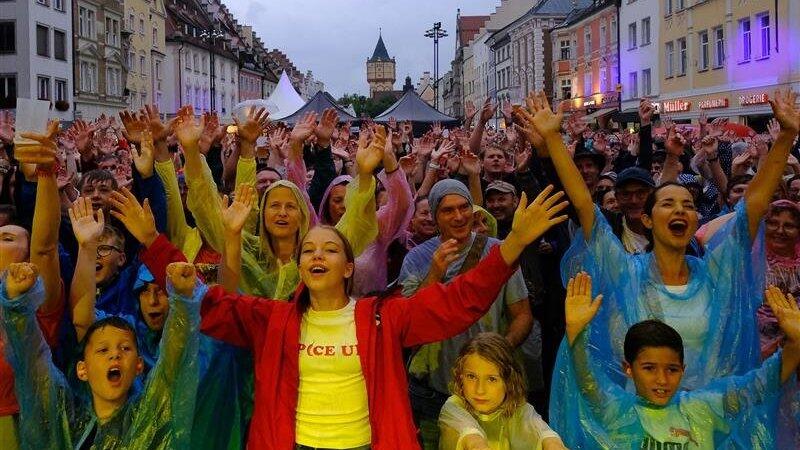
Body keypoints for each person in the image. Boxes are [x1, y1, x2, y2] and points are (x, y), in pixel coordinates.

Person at [142, 184, 568, 449]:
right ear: (301, 267)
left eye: (330, 248)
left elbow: (459, 302)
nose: (317, 255)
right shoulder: (272, 319)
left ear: (348, 267)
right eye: (309, 249)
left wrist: (510, 245)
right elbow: (212, 306)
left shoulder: (381, 317)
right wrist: (153, 243)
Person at [514, 89, 800, 447]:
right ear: (647, 219)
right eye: (668, 204)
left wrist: (786, 136)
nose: (680, 210)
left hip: (704, 422)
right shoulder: (626, 272)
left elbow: (753, 208)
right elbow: (586, 208)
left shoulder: (714, 275)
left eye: (688, 205)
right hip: (637, 427)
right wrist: (554, 139)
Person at [563, 272, 799, 449]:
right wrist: (576, 334)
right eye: (649, 368)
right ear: (628, 369)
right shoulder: (615, 409)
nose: (662, 379)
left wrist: (796, 344)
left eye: (672, 369)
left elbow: (761, 384)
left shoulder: (701, 407)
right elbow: (587, 382)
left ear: (683, 370)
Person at [0, 261, 202, 449]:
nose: (115, 355)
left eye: (125, 348)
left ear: (139, 366)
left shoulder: (151, 417)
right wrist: (17, 307)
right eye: (103, 350)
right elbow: (34, 367)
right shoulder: (64, 424)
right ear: (82, 369)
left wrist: (183, 301)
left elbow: (173, 366)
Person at [400, 179, 534, 449]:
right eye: (448, 210)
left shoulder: (499, 252)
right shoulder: (416, 258)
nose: (459, 216)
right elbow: (408, 322)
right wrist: (435, 272)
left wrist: (497, 354)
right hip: (432, 387)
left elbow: (522, 315)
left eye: (464, 207)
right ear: (436, 216)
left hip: (486, 386)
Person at [438, 332, 566, 450]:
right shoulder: (453, 407)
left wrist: (553, 444)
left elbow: (545, 434)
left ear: (509, 382)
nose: (480, 390)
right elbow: (473, 440)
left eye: (492, 379)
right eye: (471, 377)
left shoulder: (519, 409)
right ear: (460, 377)